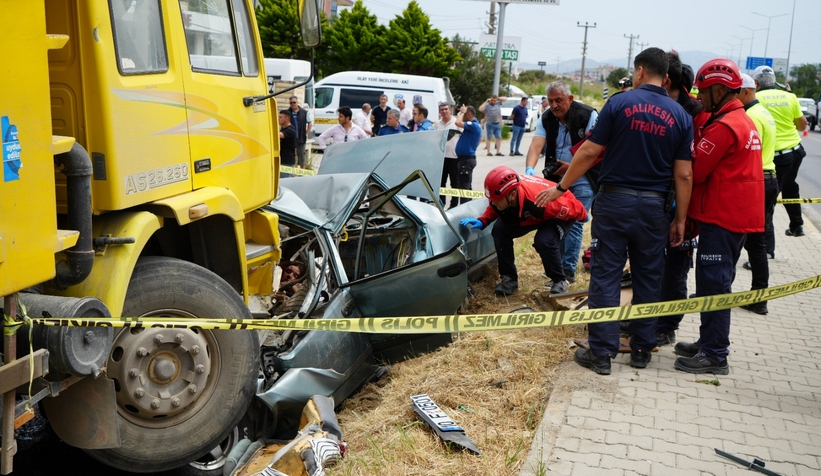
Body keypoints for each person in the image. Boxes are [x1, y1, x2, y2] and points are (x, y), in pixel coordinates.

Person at [539, 47, 694, 375]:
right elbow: (684, 174)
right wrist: (680, 218)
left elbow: (590, 152)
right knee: (650, 276)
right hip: (655, 208)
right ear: (664, 76)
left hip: (615, 203)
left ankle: (601, 353)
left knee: (606, 275)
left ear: (639, 71)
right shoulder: (681, 115)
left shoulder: (619, 104)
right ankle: (641, 349)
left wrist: (561, 187)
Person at [673, 59, 764, 375]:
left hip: (722, 216)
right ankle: (707, 341)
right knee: (717, 280)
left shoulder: (724, 127)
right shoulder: (741, 119)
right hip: (734, 216)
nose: (698, 98)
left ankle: (715, 354)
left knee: (714, 285)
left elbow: (695, 173)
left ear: (720, 90)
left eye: (702, 91)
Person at [460, 166, 588, 296]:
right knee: (499, 230)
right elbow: (495, 206)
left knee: (543, 240)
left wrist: (583, 215)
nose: (493, 203)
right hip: (531, 215)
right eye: (491, 200)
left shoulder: (540, 200)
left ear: (512, 195)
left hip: (556, 212)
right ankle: (509, 279)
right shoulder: (504, 196)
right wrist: (483, 220)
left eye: (496, 200)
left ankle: (560, 280)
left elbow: (572, 207)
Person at [655, 53, 710, 346]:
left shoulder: (697, 114)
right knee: (650, 264)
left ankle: (666, 325)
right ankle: (647, 318)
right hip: (656, 201)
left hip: (684, 204)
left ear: (667, 81)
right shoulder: (660, 107)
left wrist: (683, 213)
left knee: (676, 266)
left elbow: (692, 170)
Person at [524, 81, 598, 284]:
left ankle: (566, 272)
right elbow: (536, 144)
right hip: (555, 179)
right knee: (556, 221)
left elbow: (595, 150)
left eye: (559, 100)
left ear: (570, 99)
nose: (555, 105)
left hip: (583, 176)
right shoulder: (546, 118)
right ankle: (557, 268)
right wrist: (529, 169)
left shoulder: (588, 115)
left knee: (572, 223)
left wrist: (571, 167)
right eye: (550, 101)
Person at [737, 73, 778, 316]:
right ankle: (758, 296)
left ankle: (757, 297)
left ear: (746, 91)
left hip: (757, 180)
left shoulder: (751, 116)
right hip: (769, 178)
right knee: (756, 242)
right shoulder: (764, 113)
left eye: (735, 92)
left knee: (745, 241)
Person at [754, 65, 808, 239]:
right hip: (796, 151)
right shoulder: (790, 97)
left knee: (768, 201)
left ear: (756, 83)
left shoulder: (755, 98)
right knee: (790, 186)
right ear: (774, 81)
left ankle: (767, 249)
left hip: (776, 156)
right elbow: (802, 125)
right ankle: (797, 225)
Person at [451, 105, 482, 205]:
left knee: (464, 188)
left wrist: (462, 112)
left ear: (468, 114)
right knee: (466, 186)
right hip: (465, 159)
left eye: (464, 114)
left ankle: (464, 210)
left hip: (466, 160)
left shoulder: (472, 125)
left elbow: (457, 122)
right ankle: (468, 207)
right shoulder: (473, 125)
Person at [436, 103, 462, 208]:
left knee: (454, 184)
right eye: (442, 110)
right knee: (441, 183)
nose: (444, 111)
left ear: (450, 110)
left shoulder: (456, 123)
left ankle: (454, 205)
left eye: (446, 109)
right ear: (439, 112)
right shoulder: (438, 124)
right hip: (441, 158)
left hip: (454, 158)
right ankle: (441, 203)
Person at [289, 96, 312, 167]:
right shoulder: (287, 112)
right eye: (291, 103)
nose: (293, 104)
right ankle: (293, 173)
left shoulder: (304, 112)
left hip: (301, 137)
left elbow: (310, 123)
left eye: (294, 102)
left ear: (297, 102)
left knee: (302, 155)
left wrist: (307, 133)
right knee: (292, 155)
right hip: (291, 138)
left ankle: (302, 173)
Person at [279, 109, 297, 176]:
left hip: (288, 161)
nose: (278, 119)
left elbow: (281, 135)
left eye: (280, 117)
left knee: (285, 181)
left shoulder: (291, 130)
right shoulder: (283, 128)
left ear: (286, 119)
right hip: (282, 159)